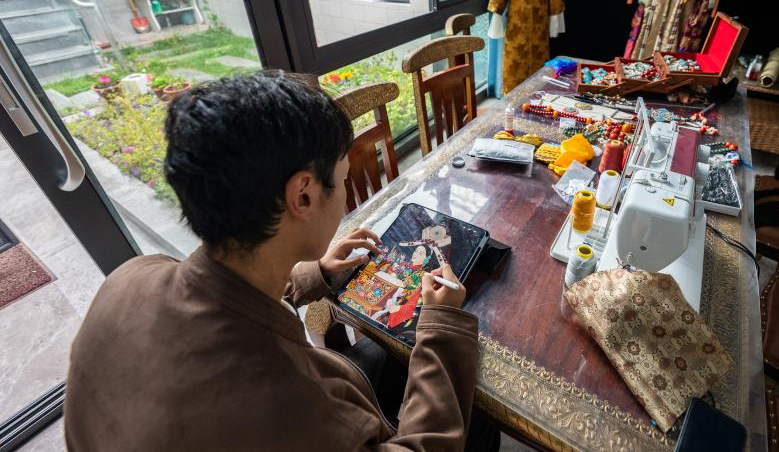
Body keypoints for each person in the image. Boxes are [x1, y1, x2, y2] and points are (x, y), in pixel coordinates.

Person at [64, 71, 492, 451]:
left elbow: (226, 294)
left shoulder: (129, 278)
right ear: (303, 195)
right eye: (343, 179)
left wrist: (313, 273)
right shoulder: (291, 407)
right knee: (478, 418)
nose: (345, 193)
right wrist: (441, 326)